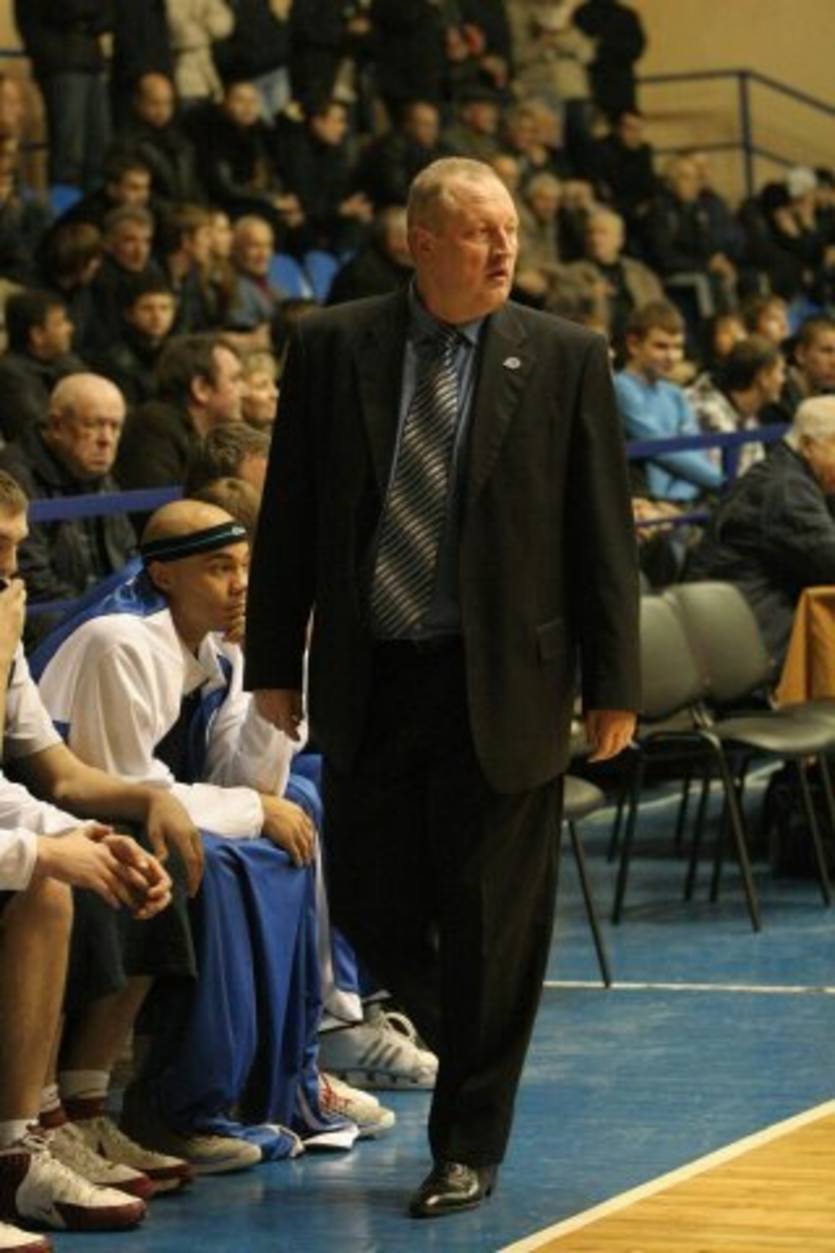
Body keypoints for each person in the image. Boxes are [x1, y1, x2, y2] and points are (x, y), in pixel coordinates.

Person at [245, 156, 640, 1217]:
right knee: (371, 902)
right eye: (478, 232)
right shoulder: (333, 345)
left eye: (508, 229)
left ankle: (467, 1141)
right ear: (420, 243)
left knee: (491, 928)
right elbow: (289, 514)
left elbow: (602, 530)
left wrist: (614, 680)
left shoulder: (563, 354)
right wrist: (273, 660)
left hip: (506, 681)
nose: (504, 247)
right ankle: (461, 1029)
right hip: (374, 674)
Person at [33, 499, 396, 1155]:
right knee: (217, 863)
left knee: (293, 818)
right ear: (164, 574)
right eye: (219, 568)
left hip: (136, 813)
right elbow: (123, 787)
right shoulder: (121, 638)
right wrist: (255, 810)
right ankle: (182, 1104)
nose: (240, 585)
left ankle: (277, 1079)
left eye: (245, 567)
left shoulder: (209, 641)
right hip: (64, 823)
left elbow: (250, 778)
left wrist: (268, 666)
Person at [687, 396, 835, 667]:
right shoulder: (786, 489)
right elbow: (830, 562)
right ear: (808, 446)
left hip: (752, 627)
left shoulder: (790, 475)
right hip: (744, 641)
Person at [0, 374, 135, 644]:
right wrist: (104, 624)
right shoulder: (16, 476)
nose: (106, 439)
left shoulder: (98, 475)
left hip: (103, 623)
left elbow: (129, 555)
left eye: (115, 426)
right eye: (93, 424)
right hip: (46, 633)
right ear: (56, 425)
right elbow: (32, 584)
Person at [614, 300, 724, 504]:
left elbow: (695, 450)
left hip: (680, 501)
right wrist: (724, 482)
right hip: (643, 504)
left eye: (678, 347)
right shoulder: (620, 387)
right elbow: (660, 449)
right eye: (661, 346)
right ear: (633, 344)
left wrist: (677, 500)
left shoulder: (675, 393)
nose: (671, 356)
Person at [116, 333, 244, 491]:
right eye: (235, 380)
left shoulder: (220, 438)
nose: (244, 391)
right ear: (201, 388)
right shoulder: (153, 427)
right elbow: (158, 502)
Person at [0, 292, 84, 442]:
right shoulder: (11, 375)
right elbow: (36, 429)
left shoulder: (67, 362)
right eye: (60, 323)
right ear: (37, 334)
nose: (70, 328)